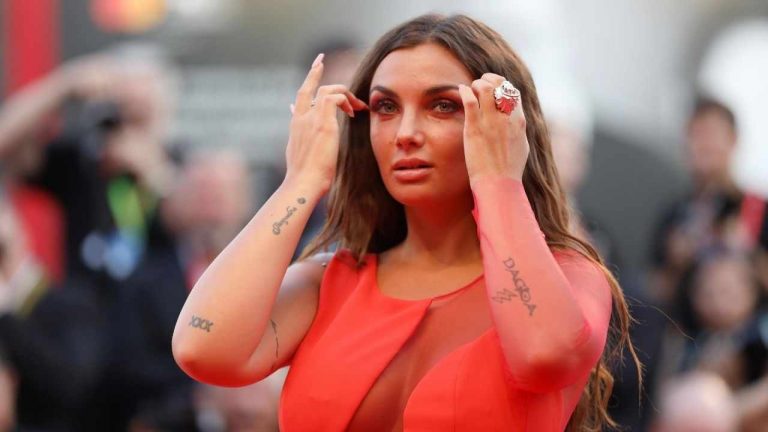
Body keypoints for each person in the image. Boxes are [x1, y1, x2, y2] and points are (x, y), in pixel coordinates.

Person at [172, 14, 638, 431]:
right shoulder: (329, 284)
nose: (406, 133)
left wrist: (499, 180)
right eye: (385, 108)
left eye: (443, 106)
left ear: (504, 124)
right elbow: (202, 347)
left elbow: (544, 355)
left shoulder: (572, 277)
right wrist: (302, 181)